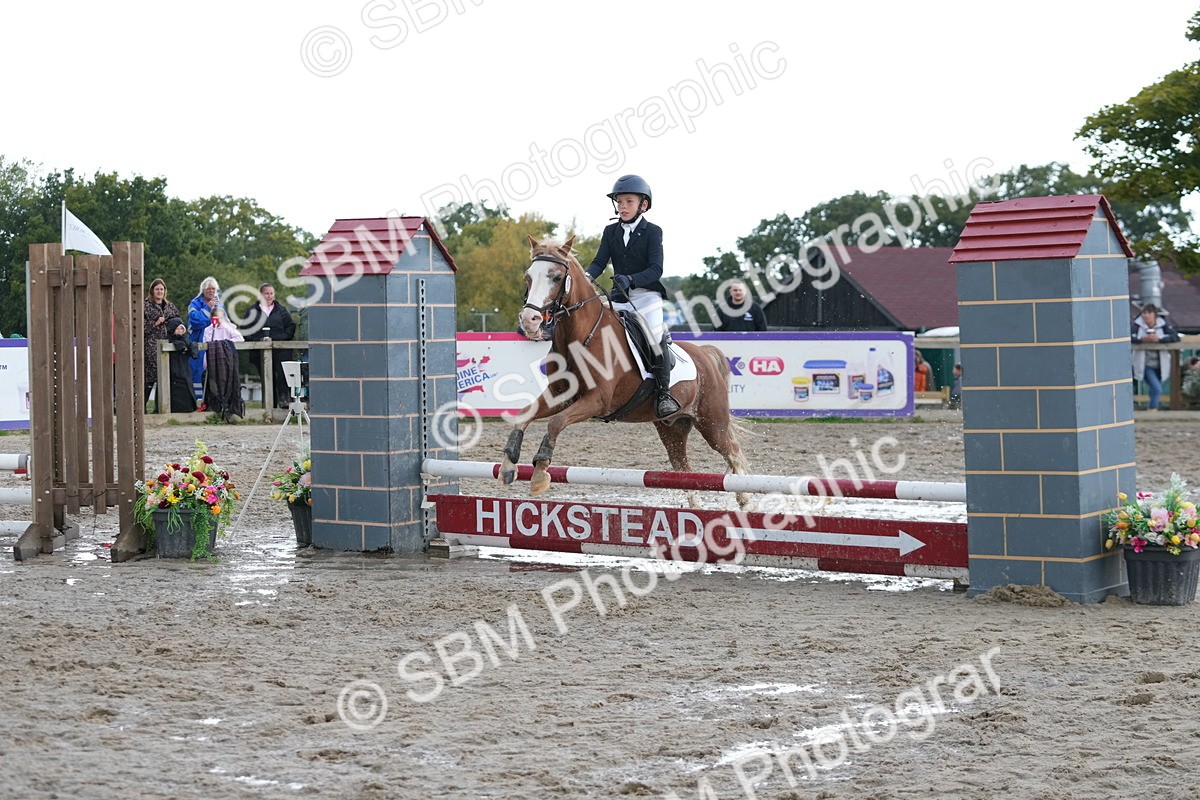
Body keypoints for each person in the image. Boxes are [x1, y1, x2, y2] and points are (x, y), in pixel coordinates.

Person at [584, 174, 679, 418]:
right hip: (619, 296)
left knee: (654, 335)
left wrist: (632, 279)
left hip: (646, 296)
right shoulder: (610, 231)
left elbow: (656, 269)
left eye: (628, 202)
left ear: (643, 205)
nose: (622, 207)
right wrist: (585, 277)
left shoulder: (653, 232)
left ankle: (663, 393)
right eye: (619, 202)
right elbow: (598, 262)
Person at [241, 283, 297, 408]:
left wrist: (284, 338)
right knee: (267, 377)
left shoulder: (281, 309)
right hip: (259, 350)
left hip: (280, 349)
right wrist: (257, 340)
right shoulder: (252, 311)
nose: (269, 296)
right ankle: (270, 405)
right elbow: (245, 329)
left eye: (271, 293)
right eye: (266, 293)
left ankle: (284, 400)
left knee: (282, 373)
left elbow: (291, 326)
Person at [1131, 303, 1180, 410]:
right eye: (1144, 313)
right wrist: (1142, 340)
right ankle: (1153, 411)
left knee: (1154, 389)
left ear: (1155, 315)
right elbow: (1128, 337)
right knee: (1157, 388)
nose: (1146, 315)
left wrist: (1159, 339)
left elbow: (1175, 337)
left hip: (1160, 364)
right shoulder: (1136, 325)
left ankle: (1151, 409)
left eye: (1149, 313)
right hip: (1145, 364)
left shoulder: (1163, 325)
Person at [143, 278, 181, 408]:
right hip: (150, 346)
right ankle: (142, 407)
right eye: (157, 289)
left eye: (161, 289)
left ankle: (161, 408)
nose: (159, 291)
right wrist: (156, 323)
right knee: (149, 378)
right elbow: (139, 327)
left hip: (168, 345)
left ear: (165, 291)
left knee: (165, 377)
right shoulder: (145, 306)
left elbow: (178, 322)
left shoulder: (170, 307)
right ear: (152, 291)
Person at [202, 307, 245, 421]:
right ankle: (214, 405)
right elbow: (206, 342)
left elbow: (240, 338)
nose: (218, 320)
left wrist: (225, 343)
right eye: (216, 317)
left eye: (221, 317)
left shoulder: (229, 328)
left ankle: (229, 406)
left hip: (226, 359)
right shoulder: (208, 330)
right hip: (212, 359)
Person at [187, 277, 224, 406]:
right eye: (208, 288)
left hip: (216, 344)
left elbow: (223, 322)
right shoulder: (195, 303)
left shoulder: (219, 304)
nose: (211, 291)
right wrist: (208, 309)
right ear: (203, 290)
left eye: (213, 289)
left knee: (216, 373)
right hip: (198, 345)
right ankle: (198, 403)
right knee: (198, 374)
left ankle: (215, 402)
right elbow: (195, 322)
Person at [163, 317, 197, 413]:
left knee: (187, 386)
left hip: (185, 369)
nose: (180, 331)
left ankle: (189, 408)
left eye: (182, 328)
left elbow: (192, 348)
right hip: (173, 368)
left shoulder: (186, 340)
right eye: (178, 328)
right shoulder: (168, 339)